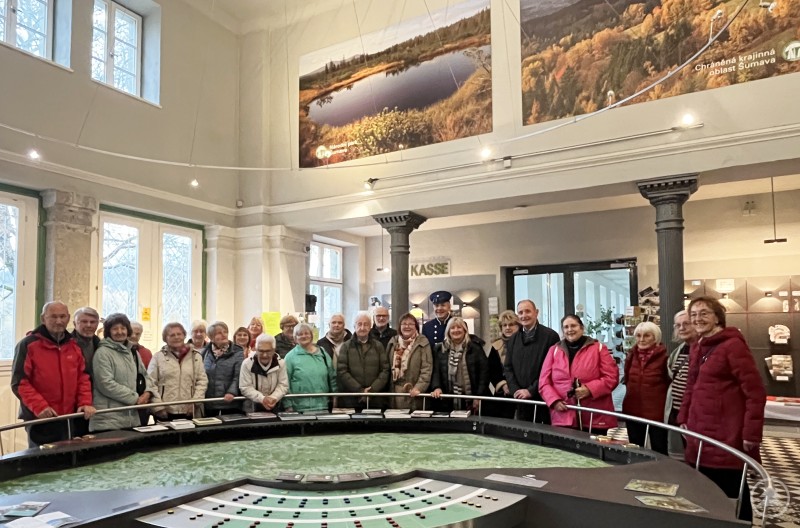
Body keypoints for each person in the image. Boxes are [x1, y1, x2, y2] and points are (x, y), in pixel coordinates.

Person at [678, 296, 765, 522]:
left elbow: (754, 391)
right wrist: (683, 417)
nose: (698, 318)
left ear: (718, 317)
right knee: (703, 488)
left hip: (726, 433)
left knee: (730, 490)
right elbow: (692, 385)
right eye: (694, 314)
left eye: (704, 313)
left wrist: (751, 433)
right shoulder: (698, 346)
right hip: (699, 432)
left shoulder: (732, 345)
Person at [11, 301, 95, 446]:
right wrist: (40, 407)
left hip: (70, 416)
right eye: (53, 317)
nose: (58, 321)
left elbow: (83, 377)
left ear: (68, 318)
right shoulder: (28, 345)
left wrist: (85, 402)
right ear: (43, 319)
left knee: (70, 460)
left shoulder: (74, 346)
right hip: (41, 417)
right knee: (43, 462)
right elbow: (20, 382)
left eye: (62, 316)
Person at [539, 315, 618, 434]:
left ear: (582, 328)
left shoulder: (599, 348)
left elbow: (612, 377)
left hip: (595, 417)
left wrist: (590, 389)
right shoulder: (554, 350)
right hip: (563, 416)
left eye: (573, 326)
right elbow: (544, 382)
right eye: (566, 327)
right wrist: (554, 401)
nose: (570, 329)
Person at [90, 313, 156, 432]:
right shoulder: (102, 353)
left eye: (123, 328)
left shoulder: (133, 352)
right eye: (115, 328)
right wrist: (135, 398)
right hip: (108, 420)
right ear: (108, 332)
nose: (119, 332)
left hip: (131, 417)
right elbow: (105, 383)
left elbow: (145, 375)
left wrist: (147, 393)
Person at [503, 299, 560, 423]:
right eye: (521, 312)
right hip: (520, 401)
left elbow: (552, 370)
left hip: (542, 399)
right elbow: (508, 367)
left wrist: (530, 391)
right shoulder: (513, 339)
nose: (524, 315)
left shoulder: (550, 336)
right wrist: (515, 391)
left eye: (527, 311)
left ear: (536, 312)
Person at [622, 321, 670, 455]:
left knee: (659, 449)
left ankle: (661, 475)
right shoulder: (631, 356)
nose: (641, 339)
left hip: (656, 413)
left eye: (647, 336)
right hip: (633, 409)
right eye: (638, 335)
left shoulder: (665, 358)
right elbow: (627, 379)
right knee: (635, 449)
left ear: (656, 337)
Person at [148, 322, 208, 420]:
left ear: (184, 335)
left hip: (189, 411)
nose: (176, 337)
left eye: (179, 334)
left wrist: (195, 403)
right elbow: (151, 382)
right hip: (165, 412)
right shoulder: (158, 357)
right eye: (172, 335)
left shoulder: (195, 356)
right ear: (165, 338)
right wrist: (158, 407)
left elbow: (202, 381)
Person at [431, 317, 489, 413]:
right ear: (448, 331)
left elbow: (484, 373)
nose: (456, 330)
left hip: (472, 399)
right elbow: (436, 371)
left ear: (464, 330)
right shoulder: (440, 349)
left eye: (459, 327)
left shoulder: (475, 348)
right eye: (452, 328)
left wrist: (479, 396)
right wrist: (437, 387)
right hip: (448, 399)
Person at [337, 311, 390, 411]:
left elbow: (385, 370)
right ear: (354, 326)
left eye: (366, 324)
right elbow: (342, 371)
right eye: (359, 324)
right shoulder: (346, 346)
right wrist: (359, 390)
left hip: (375, 398)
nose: (362, 328)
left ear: (370, 326)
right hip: (352, 398)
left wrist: (372, 389)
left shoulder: (378, 346)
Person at [284, 322, 337, 413]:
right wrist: (288, 405)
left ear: (311, 335)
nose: (304, 336)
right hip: (299, 408)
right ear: (295, 338)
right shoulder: (290, 357)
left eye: (306, 333)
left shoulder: (322, 353)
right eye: (300, 334)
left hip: (323, 406)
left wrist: (335, 398)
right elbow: (285, 383)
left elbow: (332, 377)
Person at [665, 310, 697, 457]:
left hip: (696, 411)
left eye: (686, 324)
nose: (682, 328)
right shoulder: (679, 350)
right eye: (678, 325)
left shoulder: (703, 349)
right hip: (678, 409)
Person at [386, 313, 432, 410]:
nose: (407, 326)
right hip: (394, 393)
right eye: (404, 324)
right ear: (399, 327)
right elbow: (386, 366)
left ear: (416, 327)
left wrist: (419, 388)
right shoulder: (393, 342)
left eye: (411, 324)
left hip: (414, 392)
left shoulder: (423, 343)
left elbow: (427, 369)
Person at [202, 321, 244, 415]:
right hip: (210, 402)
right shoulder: (205, 353)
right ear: (211, 338)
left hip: (230, 402)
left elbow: (238, 376)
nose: (223, 335)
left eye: (225, 332)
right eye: (219, 333)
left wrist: (231, 392)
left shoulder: (237, 352)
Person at [239, 333, 289, 413]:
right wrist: (262, 399)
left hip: (275, 406)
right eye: (261, 351)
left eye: (268, 351)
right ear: (256, 349)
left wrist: (273, 398)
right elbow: (245, 387)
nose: (264, 355)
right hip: (252, 408)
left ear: (274, 350)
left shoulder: (281, 363)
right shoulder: (247, 364)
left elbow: (283, 385)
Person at [483, 310, 519, 418]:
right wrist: (503, 385)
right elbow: (492, 370)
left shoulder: (524, 343)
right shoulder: (496, 345)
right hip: (504, 394)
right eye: (504, 325)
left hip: (522, 391)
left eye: (511, 324)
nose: (508, 328)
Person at [71, 306, 101, 380]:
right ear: (75, 324)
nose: (89, 325)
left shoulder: (100, 345)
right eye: (84, 321)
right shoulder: (66, 345)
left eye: (92, 322)